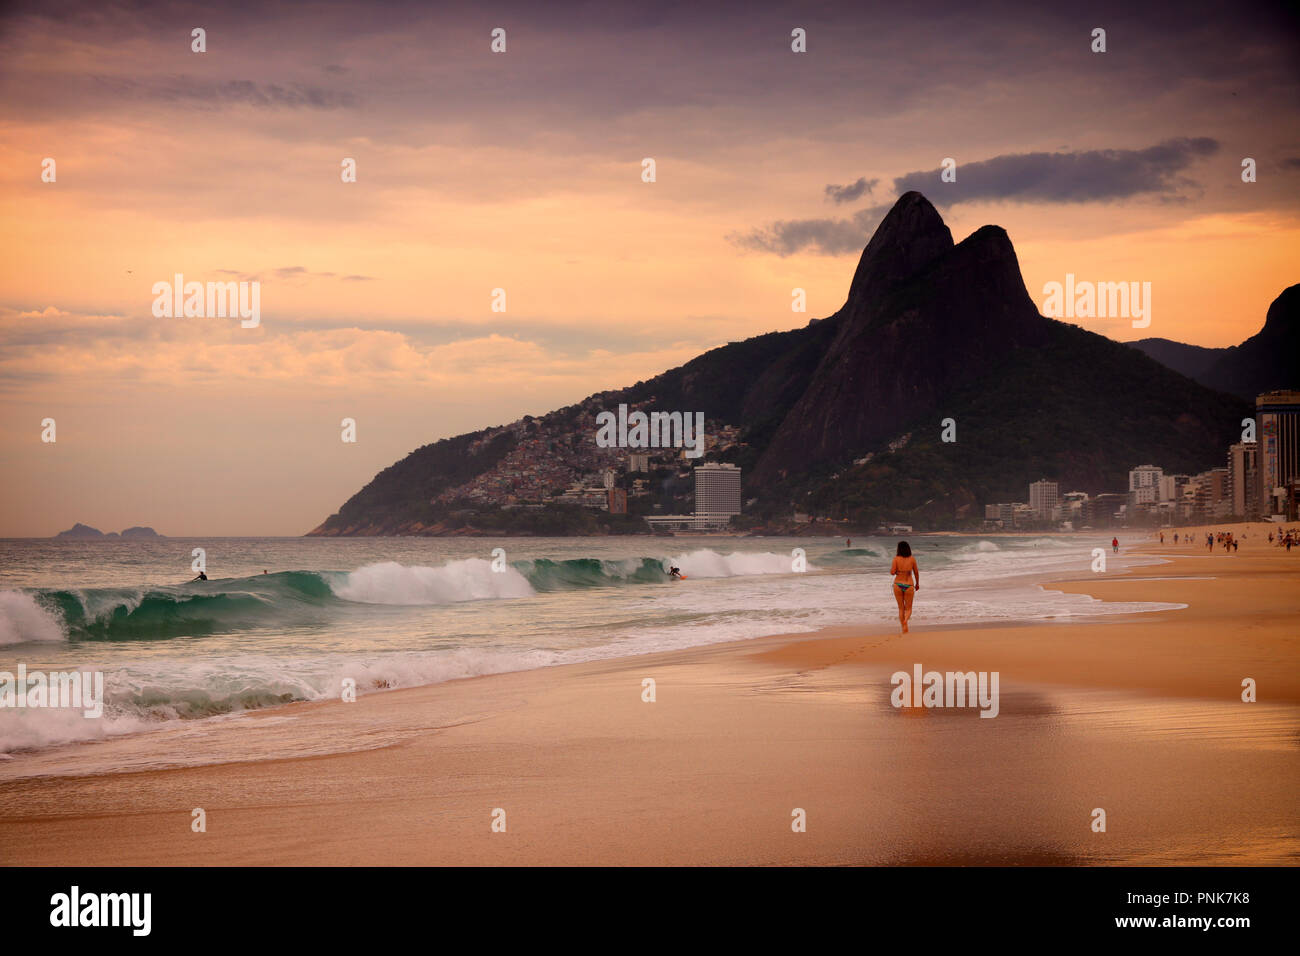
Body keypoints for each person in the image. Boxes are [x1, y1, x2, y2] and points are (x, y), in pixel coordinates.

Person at [890, 541, 919, 634]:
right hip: (909, 585)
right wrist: (917, 583)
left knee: (901, 608)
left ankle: (903, 627)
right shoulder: (912, 559)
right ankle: (906, 620)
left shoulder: (896, 559)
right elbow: (916, 572)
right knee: (909, 608)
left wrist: (897, 572)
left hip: (897, 584)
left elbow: (892, 572)